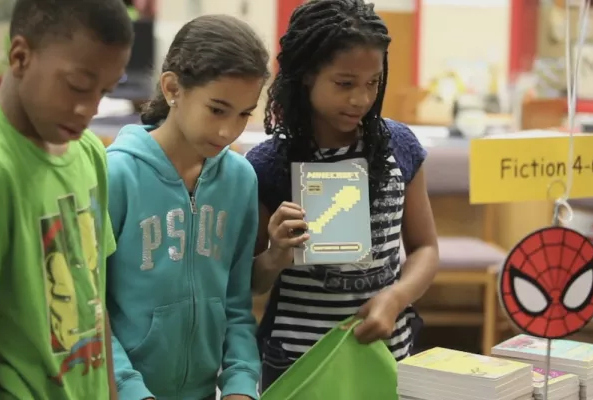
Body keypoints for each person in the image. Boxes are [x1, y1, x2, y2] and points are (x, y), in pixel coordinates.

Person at [0, 1, 133, 399]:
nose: (90, 109)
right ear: (20, 56)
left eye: (105, 91)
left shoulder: (89, 152)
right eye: (79, 86)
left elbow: (94, 303)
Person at [246, 0, 440, 390]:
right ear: (306, 76)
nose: (361, 99)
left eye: (373, 82)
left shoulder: (399, 147)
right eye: (345, 83)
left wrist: (396, 297)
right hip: (300, 365)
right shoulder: (270, 165)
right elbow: (250, 280)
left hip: (387, 354)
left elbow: (425, 249)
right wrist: (276, 255)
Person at [105, 14, 270, 400]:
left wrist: (242, 385)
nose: (229, 131)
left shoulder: (240, 179)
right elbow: (91, 308)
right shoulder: (117, 174)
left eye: (244, 114)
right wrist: (130, 391)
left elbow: (236, 303)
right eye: (217, 109)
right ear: (173, 88)